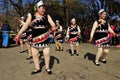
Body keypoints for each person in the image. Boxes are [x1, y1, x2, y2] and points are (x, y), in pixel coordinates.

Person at [14, 0, 56, 75]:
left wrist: (53, 26)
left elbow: (52, 23)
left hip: (45, 37)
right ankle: (37, 68)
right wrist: (18, 34)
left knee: (46, 53)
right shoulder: (32, 16)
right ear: (37, 8)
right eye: (42, 8)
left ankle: (47, 68)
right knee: (35, 54)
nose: (43, 9)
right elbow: (26, 25)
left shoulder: (47, 16)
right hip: (35, 38)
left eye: (44, 8)